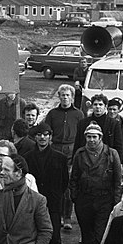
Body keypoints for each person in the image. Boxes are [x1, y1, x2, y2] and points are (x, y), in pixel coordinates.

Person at [70, 122, 123, 244]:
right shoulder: (80, 154)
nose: (91, 140)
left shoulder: (111, 154)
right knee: (87, 235)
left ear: (100, 138)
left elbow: (117, 180)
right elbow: (73, 178)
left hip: (104, 200)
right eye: (88, 137)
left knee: (101, 234)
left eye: (94, 137)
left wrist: (116, 201)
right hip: (84, 200)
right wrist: (75, 196)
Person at [24, 123, 68, 244]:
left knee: (54, 234)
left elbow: (64, 181)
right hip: (33, 202)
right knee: (33, 234)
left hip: (53, 201)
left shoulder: (60, 158)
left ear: (50, 137)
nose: (42, 138)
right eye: (39, 135)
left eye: (45, 134)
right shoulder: (28, 157)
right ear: (35, 137)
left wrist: (57, 196)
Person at [45, 83, 85, 230]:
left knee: (68, 185)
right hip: (56, 149)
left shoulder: (79, 114)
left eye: (68, 95)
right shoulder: (52, 114)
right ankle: (56, 215)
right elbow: (47, 132)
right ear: (59, 97)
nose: (65, 98)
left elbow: (82, 135)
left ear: (72, 97)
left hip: (72, 149)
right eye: (62, 95)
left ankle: (67, 217)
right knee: (56, 184)